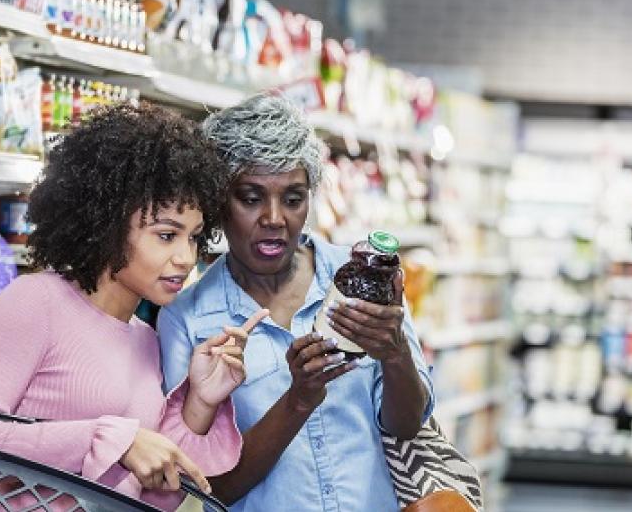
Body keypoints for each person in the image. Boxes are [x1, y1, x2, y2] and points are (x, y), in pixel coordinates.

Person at [0, 103, 259, 511]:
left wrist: (200, 402)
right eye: (166, 235)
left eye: (194, 237)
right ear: (108, 223)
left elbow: (158, 494)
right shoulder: (34, 303)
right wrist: (109, 440)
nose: (185, 257)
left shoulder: (145, 340)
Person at [159, 94, 434, 511]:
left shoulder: (361, 280)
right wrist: (298, 400)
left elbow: (407, 425)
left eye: (293, 198)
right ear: (217, 201)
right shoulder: (189, 321)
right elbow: (208, 489)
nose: (274, 218)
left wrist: (395, 355)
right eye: (251, 198)